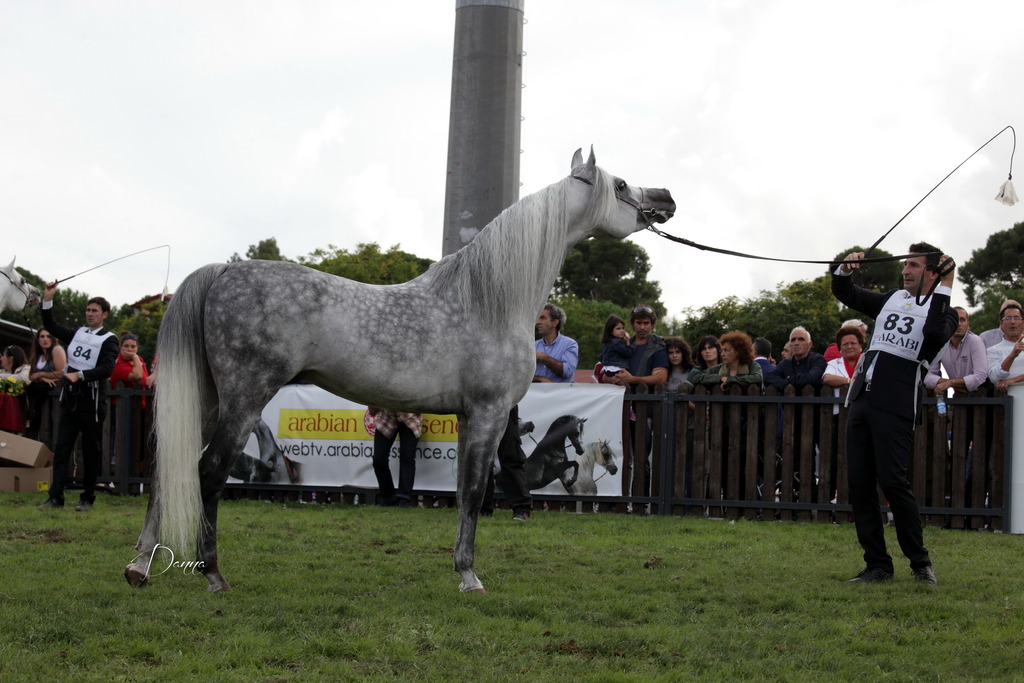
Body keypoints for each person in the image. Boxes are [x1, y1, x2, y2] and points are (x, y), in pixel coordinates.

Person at [832, 242, 957, 585]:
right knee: (859, 485)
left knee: (893, 482)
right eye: (905, 265)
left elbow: (933, 333)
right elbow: (847, 293)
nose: (905, 270)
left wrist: (947, 284)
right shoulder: (892, 298)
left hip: (897, 402)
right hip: (863, 400)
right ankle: (877, 565)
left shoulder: (945, 311)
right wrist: (845, 268)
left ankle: (920, 563)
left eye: (914, 265)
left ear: (934, 272)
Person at [36, 283, 119, 511]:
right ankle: (55, 498)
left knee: (91, 451)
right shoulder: (78, 333)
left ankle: (87, 497)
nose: (90, 314)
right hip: (70, 399)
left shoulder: (109, 339)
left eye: (94, 311)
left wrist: (79, 375)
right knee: (62, 448)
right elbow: (51, 325)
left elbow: (106, 369)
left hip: (91, 400)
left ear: (104, 314)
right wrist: (48, 299)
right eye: (88, 310)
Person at [924, 307, 988, 397]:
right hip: (957, 392)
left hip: (979, 393)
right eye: (955, 320)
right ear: (947, 323)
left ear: (968, 324)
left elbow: (981, 376)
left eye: (962, 320)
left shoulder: (975, 341)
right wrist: (948, 383)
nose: (958, 324)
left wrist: (951, 382)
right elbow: (927, 376)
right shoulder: (939, 343)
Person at [369, 408, 422, 508]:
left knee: (407, 458)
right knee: (378, 459)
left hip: (410, 417)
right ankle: (388, 497)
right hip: (387, 417)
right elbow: (372, 411)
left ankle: (404, 498)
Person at [25, 328, 67, 438]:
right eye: (42, 336)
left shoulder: (56, 350)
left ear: (53, 339)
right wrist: (42, 378)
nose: (45, 339)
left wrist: (41, 374)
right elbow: (31, 375)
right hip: (40, 391)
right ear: (37, 339)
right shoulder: (38, 355)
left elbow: (62, 372)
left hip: (56, 393)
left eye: (48, 336)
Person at [691, 331, 763, 390]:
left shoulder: (752, 366)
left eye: (726, 350)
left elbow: (757, 378)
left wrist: (730, 380)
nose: (722, 354)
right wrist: (720, 378)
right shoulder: (720, 368)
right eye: (721, 351)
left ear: (738, 352)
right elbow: (696, 377)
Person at [764, 326, 826, 391]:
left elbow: (812, 378)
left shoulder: (818, 360)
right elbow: (768, 377)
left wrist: (788, 379)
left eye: (801, 339)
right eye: (793, 340)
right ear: (790, 344)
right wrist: (786, 385)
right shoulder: (785, 363)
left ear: (809, 344)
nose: (796, 343)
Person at [822, 325, 866, 414]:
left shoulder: (868, 361)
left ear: (860, 345)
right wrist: (852, 381)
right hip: (839, 414)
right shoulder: (834, 363)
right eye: (845, 344)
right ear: (840, 348)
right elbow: (827, 378)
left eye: (853, 343)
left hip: (864, 412)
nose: (849, 347)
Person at [534, 303, 578, 383]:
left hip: (560, 394)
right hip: (535, 394)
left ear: (555, 322)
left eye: (542, 318)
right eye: (538, 318)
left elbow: (567, 372)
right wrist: (540, 379)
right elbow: (520, 375)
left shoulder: (570, 344)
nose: (538, 322)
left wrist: (544, 357)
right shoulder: (533, 345)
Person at [986, 302, 1024, 392]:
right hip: (1006, 399)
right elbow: (994, 378)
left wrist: (1013, 380)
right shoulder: (993, 350)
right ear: (1001, 324)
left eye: (1016, 318)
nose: (1012, 322)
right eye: (1008, 318)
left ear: (1023, 323)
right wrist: (1012, 355)